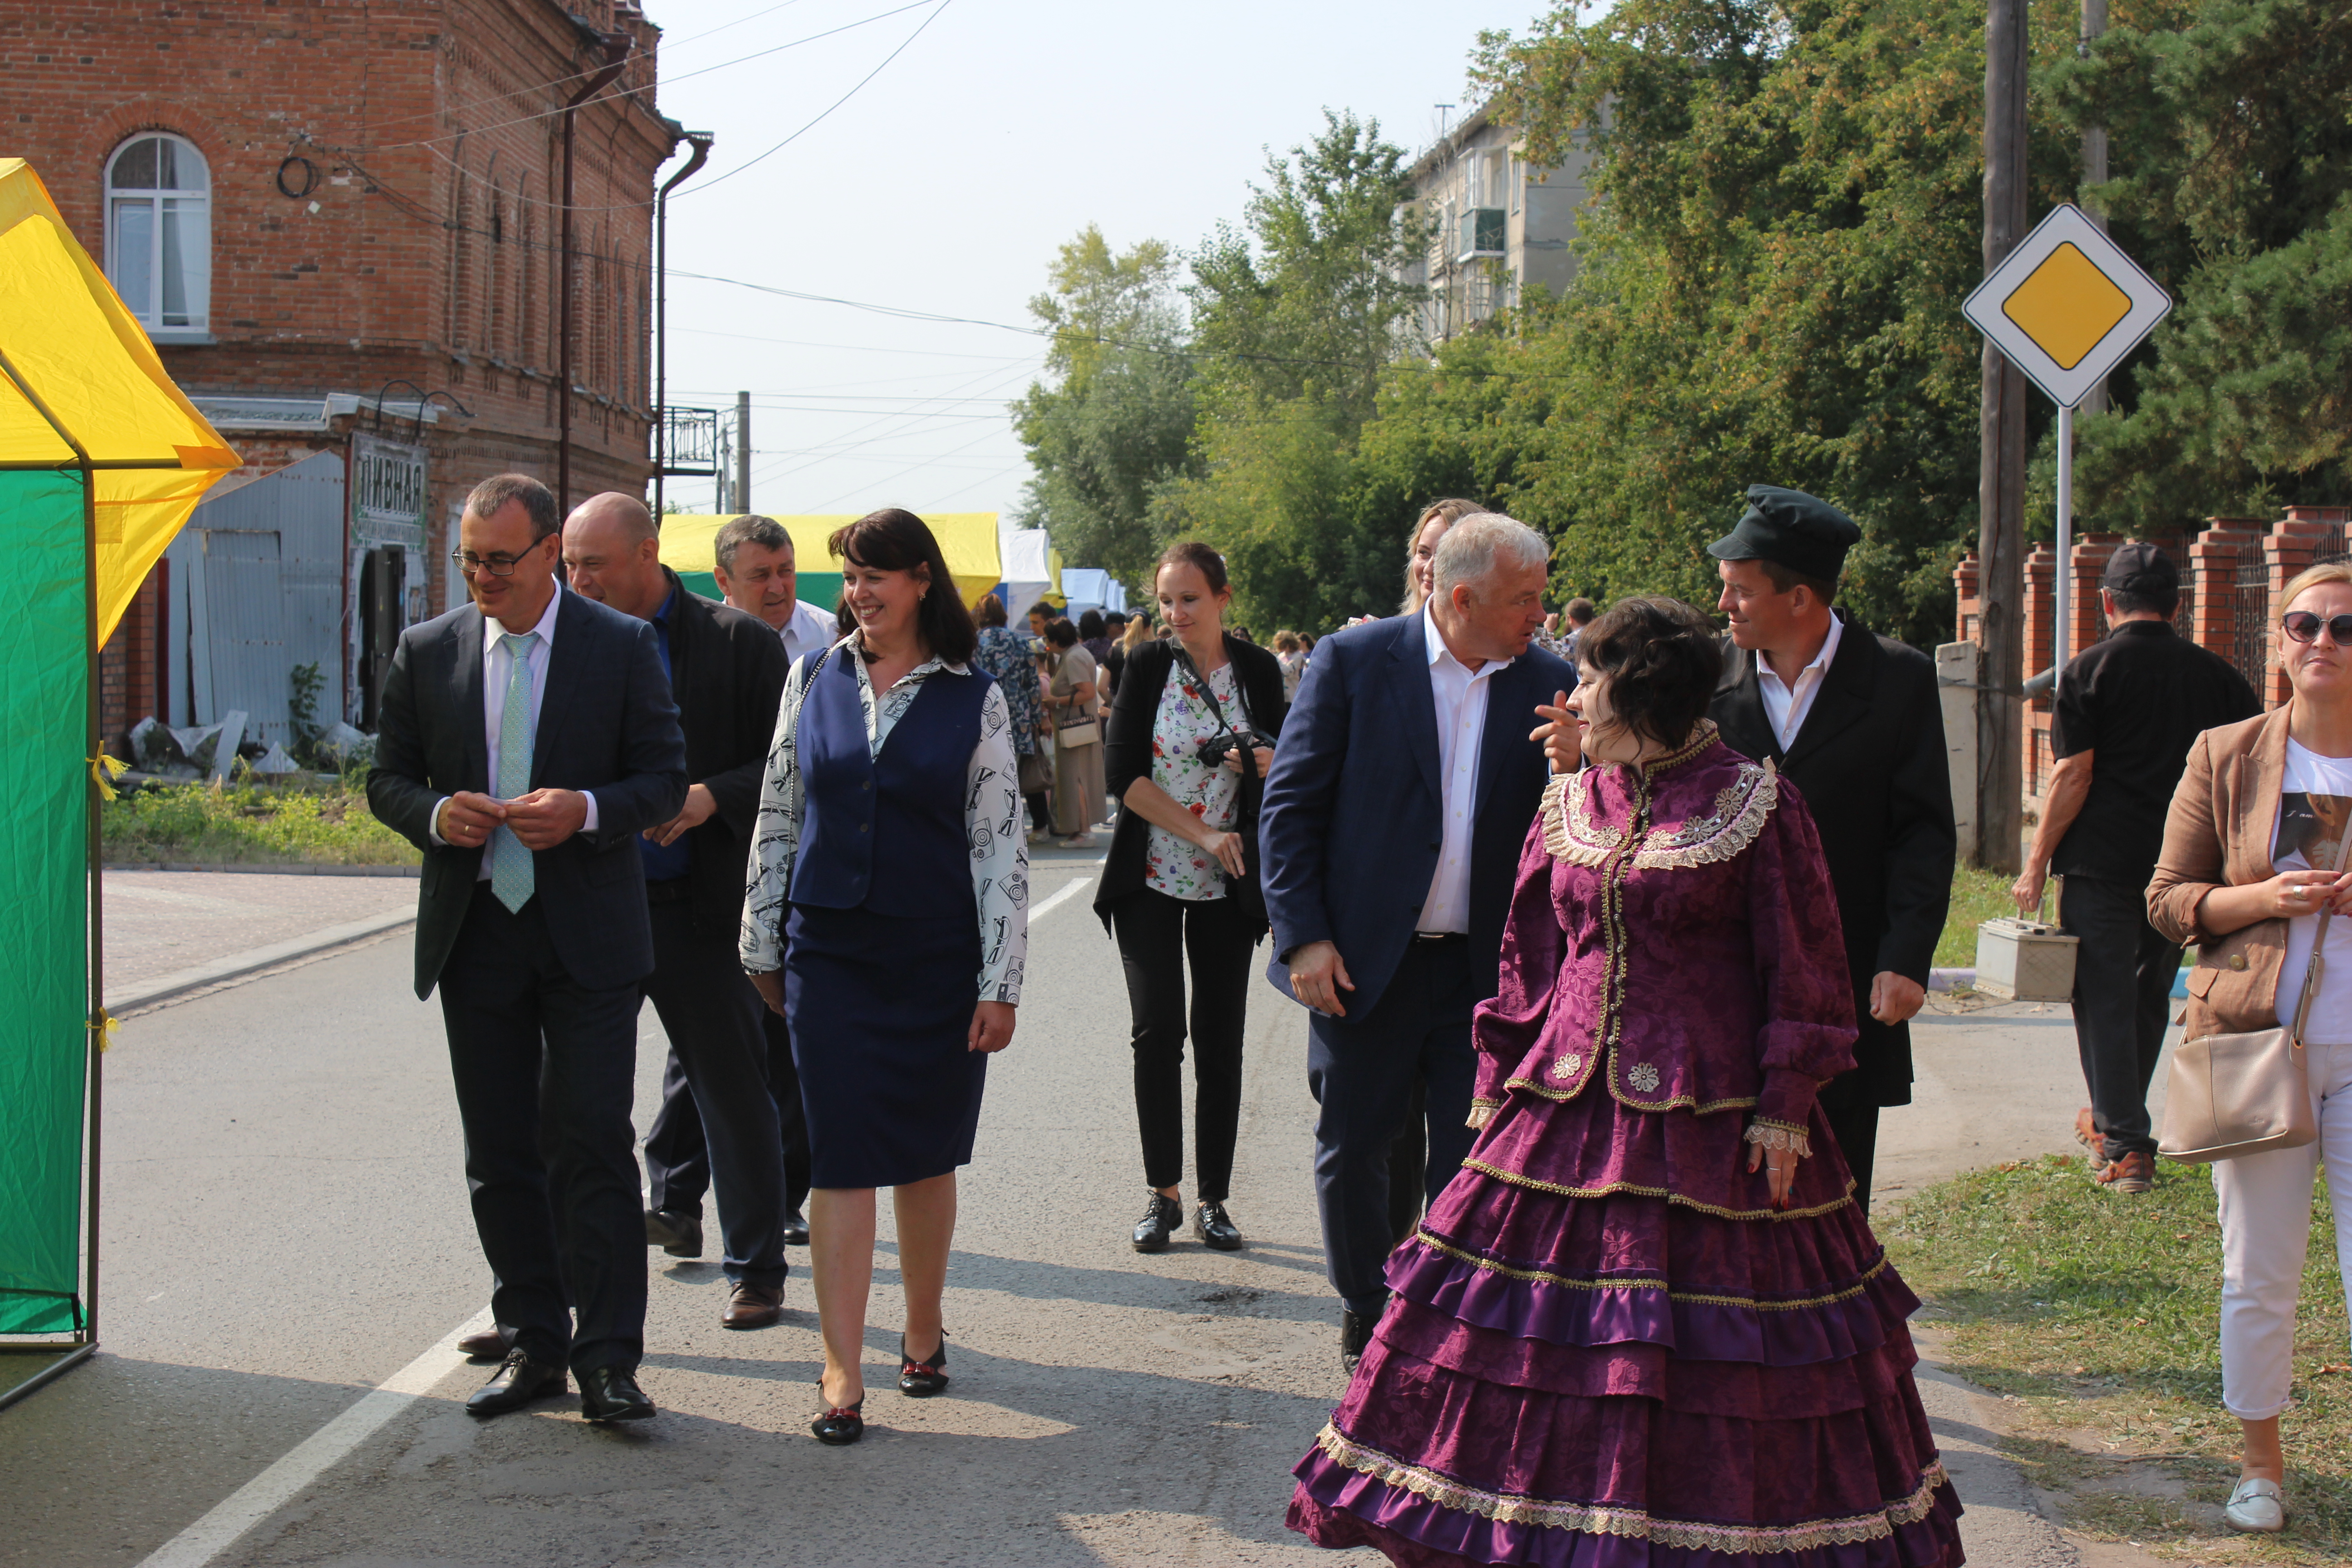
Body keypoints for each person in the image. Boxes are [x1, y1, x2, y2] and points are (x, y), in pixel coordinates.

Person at [1288, 596, 1965, 1568]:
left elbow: (1806, 962)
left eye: (1592, 678)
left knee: (1702, 1357)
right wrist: (1496, 1075)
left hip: (1714, 1122)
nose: (1575, 695)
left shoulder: (1753, 801)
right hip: (1560, 1106)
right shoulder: (1571, 798)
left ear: (1639, 691)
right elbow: (1526, 954)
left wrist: (1784, 1108)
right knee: (1528, 1346)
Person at [368, 473, 686, 1422]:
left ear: (550, 552)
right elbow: (385, 779)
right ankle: (536, 1343)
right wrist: (433, 814)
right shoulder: (428, 651)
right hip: (479, 936)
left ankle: (609, 1360)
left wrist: (586, 809)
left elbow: (664, 781)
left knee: (590, 1141)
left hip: (587, 935)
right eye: (469, 558)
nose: (482, 577)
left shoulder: (621, 647)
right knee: (500, 1151)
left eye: (500, 560)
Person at [1259, 513, 1575, 1367]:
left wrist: (1582, 765)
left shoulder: (1550, 683)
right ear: (1459, 595)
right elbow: (1289, 809)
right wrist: (1302, 939)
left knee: (1473, 1158)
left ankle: (1443, 1316)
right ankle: (1367, 1304)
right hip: (1360, 965)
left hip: (1488, 977)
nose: (1537, 615)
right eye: (1522, 599)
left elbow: (1577, 827)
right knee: (1354, 1145)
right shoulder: (1355, 662)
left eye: (1540, 598)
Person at [740, 508, 1027, 1446]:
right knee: (841, 1157)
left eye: (878, 576)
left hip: (935, 959)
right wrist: (761, 940)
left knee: (925, 1153)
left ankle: (922, 1324)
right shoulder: (812, 676)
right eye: (851, 577)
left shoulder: (972, 695)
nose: (859, 593)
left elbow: (999, 846)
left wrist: (1001, 978)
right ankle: (839, 1364)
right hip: (830, 952)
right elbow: (779, 807)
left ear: (920, 584)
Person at [2148, 561, 2352, 1534]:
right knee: (2260, 1268)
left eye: (2345, 629)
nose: (2322, 643)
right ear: (2278, 638)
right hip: (2262, 1044)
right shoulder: (2227, 753)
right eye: (2304, 624)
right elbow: (2167, 899)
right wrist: (2266, 898)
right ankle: (2261, 1465)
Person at [559, 493, 796, 1326]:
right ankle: (555, 1287)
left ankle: (757, 1269)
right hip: (592, 903)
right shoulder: (564, 642)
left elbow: (785, 766)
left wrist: (703, 798)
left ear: (649, 554)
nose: (577, 580)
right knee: (578, 1102)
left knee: (732, 1089)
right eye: (570, 564)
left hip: (699, 907)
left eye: (594, 563)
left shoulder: (735, 643)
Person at [1705, 485, 1954, 1212]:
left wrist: (1906, 958)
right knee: (1725, 1187)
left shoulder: (1897, 678)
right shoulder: (1707, 679)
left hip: (1843, 986)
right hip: (1725, 981)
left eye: (1742, 593)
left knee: (1836, 1193)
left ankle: (1836, 1324)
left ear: (1803, 597)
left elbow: (1924, 831)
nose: (1726, 608)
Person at [2014, 543, 2259, 1193]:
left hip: (2102, 862)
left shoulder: (2087, 670)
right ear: (2178, 604)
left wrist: (2036, 863)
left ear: (2105, 603)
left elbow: (2072, 774)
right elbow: (2245, 778)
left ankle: (2125, 1146)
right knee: (2150, 993)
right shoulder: (2222, 679)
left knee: (2102, 997)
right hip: (2187, 870)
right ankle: (2114, 1123)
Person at [1096, 542, 1288, 1252]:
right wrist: (1203, 835)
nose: (1175, 613)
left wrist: (1269, 761)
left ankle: (1213, 1199)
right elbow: (1125, 777)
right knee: (1156, 1032)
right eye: (1167, 600)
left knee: (1220, 1038)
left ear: (1223, 598)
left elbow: (1290, 770)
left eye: (1190, 599)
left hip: (1228, 886)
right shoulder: (1145, 664)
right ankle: (1163, 1194)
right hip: (1151, 874)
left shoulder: (1259, 671)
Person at [973, 594, 1052, 846]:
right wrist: (1038, 719)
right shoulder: (1021, 643)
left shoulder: (973, 643)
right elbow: (1032, 687)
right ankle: (1040, 826)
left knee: (986, 776)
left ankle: (997, 830)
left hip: (982, 717)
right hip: (1018, 719)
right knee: (1023, 774)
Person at [712, 513, 836, 661]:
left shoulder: (833, 637)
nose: (777, 589)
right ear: (724, 581)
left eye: (785, 571)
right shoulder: (699, 643)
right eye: (760, 576)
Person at [1045, 618, 1106, 847]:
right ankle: (1082, 829)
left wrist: (1056, 702)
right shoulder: (1076, 654)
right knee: (1079, 776)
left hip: (1075, 726)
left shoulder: (1073, 658)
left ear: (1055, 640)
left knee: (1076, 777)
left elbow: (1087, 692)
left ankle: (1084, 830)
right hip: (1080, 725)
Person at [1272, 630, 1306, 705]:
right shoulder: (1281, 656)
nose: (1281, 649)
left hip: (1293, 696)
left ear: (1289, 644)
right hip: (1281, 697)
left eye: (1283, 646)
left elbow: (1288, 672)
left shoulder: (1298, 656)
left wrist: (1275, 659)